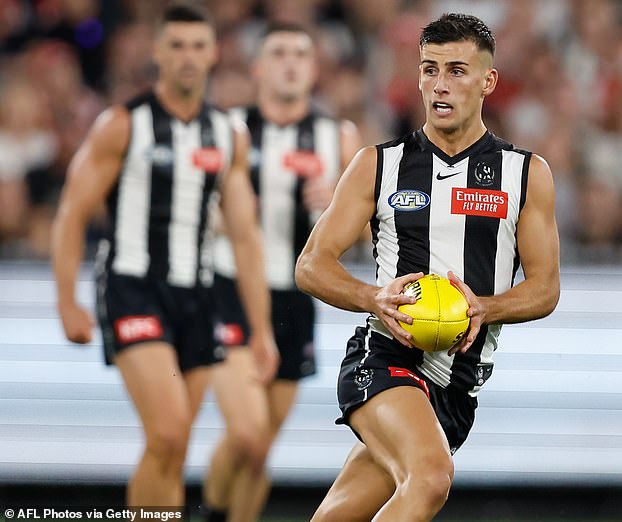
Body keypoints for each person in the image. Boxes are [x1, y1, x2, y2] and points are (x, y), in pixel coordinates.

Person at [296, 13, 560, 522]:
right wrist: (374, 297)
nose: (440, 85)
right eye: (429, 69)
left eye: (457, 71)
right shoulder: (378, 164)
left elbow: (545, 289)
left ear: (489, 82)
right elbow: (311, 266)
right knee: (430, 480)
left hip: (457, 386)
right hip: (385, 357)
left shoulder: (527, 174)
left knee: (338, 516)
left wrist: (486, 306)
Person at [51, 3, 278, 508]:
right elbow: (71, 214)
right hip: (133, 287)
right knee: (170, 433)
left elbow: (244, 238)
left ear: (215, 52)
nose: (188, 57)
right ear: (156, 51)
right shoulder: (121, 125)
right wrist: (67, 301)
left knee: (171, 450)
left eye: (198, 45)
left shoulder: (227, 135)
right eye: (176, 45)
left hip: (197, 297)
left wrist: (260, 329)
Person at [202, 23, 361, 522]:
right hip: (229, 287)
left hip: (295, 297)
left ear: (313, 70)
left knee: (260, 449)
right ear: (258, 67)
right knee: (247, 434)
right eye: (278, 53)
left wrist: (339, 202)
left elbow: (356, 236)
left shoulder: (338, 137)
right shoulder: (228, 129)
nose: (290, 62)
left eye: (300, 54)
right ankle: (208, 512)